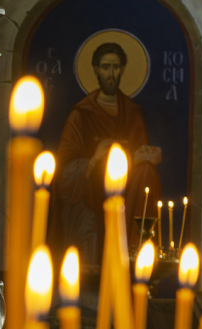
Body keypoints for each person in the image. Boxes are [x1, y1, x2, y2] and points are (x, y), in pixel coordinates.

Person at [48, 42, 162, 266]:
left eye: (116, 67)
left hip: (127, 196)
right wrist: (93, 160)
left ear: (122, 70)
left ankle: (137, 252)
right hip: (88, 196)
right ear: (95, 70)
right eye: (105, 67)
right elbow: (63, 174)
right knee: (85, 221)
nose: (111, 73)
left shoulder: (132, 113)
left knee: (148, 172)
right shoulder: (81, 114)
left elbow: (140, 156)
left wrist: (143, 158)